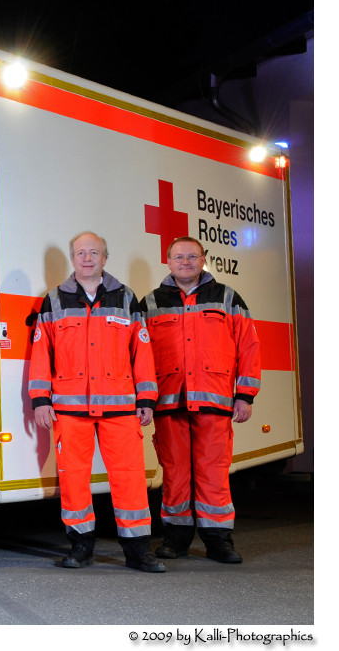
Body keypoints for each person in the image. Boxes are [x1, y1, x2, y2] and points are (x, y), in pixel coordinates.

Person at [29, 232, 164, 573]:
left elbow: (142, 352)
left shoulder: (126, 298)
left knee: (130, 479)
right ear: (73, 259)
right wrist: (40, 400)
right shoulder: (54, 300)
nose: (87, 258)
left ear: (105, 258)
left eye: (94, 252)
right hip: (70, 409)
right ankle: (80, 548)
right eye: (80, 253)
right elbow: (41, 354)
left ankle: (138, 552)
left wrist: (147, 397)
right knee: (73, 478)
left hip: (121, 408)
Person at [143, 236, 261, 564]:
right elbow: (138, 354)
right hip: (169, 401)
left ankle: (218, 541)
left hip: (215, 401)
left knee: (213, 471)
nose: (185, 262)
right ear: (167, 261)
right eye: (179, 257)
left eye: (192, 257)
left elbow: (248, 347)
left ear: (203, 259)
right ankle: (175, 539)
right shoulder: (151, 302)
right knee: (175, 472)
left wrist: (245, 395)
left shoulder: (227, 297)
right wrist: (143, 398)